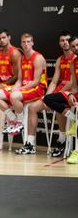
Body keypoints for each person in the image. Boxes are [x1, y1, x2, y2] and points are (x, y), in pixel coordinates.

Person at [16, 31, 74, 156]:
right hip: (58, 92)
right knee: (32, 107)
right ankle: (30, 144)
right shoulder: (60, 60)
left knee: (57, 104)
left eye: (67, 40)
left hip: (70, 93)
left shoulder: (75, 59)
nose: (65, 43)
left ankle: (62, 140)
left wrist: (56, 96)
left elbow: (71, 82)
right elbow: (53, 81)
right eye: (62, 40)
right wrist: (47, 96)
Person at [0, 33, 48, 152]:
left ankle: (19, 123)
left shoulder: (38, 57)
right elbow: (19, 80)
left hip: (37, 89)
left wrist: (18, 90)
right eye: (24, 42)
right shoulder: (21, 58)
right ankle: (13, 118)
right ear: (21, 43)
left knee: (14, 96)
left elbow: (35, 82)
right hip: (23, 88)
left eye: (28, 41)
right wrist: (15, 87)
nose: (26, 44)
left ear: (33, 42)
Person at [43, 35, 78, 163]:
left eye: (76, 45)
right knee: (48, 99)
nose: (75, 48)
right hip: (75, 93)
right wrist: (69, 94)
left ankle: (76, 151)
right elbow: (74, 85)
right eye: (73, 46)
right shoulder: (74, 62)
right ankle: (74, 118)